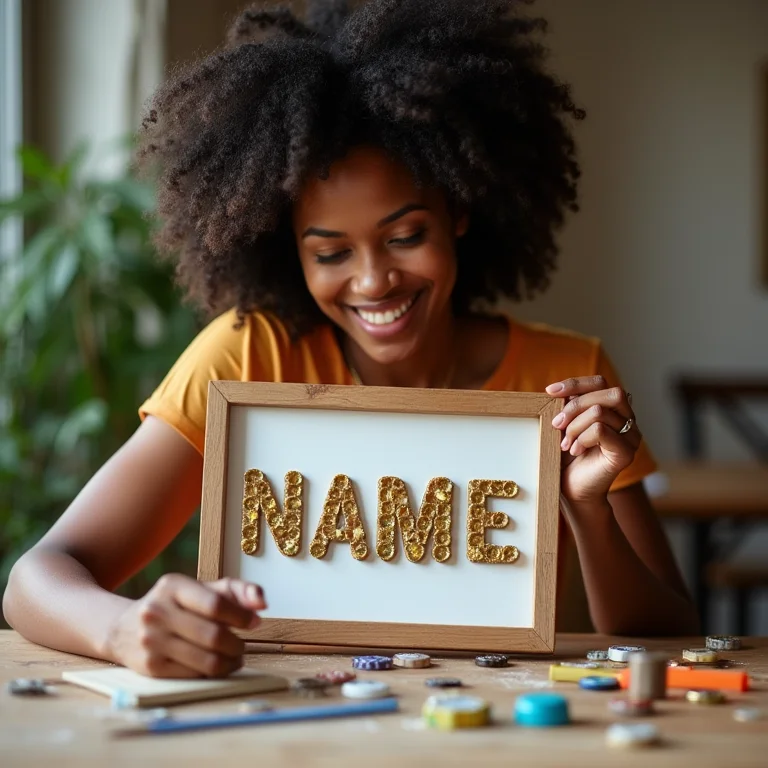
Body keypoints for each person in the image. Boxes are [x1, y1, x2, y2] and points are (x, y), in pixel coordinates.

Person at [3, 0, 698, 679]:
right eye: (331, 253)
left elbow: (672, 637)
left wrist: (588, 508)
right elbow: (36, 578)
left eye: (405, 237)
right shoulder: (247, 356)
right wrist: (121, 629)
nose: (374, 281)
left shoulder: (564, 376)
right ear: (289, 251)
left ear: (458, 210)